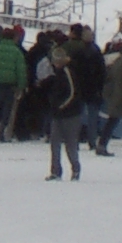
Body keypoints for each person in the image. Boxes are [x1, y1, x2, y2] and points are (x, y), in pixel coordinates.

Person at [44, 45, 83, 181]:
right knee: (54, 143)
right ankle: (55, 171)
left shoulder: (68, 71)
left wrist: (61, 106)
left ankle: (76, 169)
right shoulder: (57, 73)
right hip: (57, 113)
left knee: (70, 144)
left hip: (70, 114)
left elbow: (73, 92)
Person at [0, 25, 27, 142]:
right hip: (10, 85)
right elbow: (21, 70)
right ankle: (3, 133)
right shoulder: (17, 52)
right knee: (7, 110)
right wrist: (21, 86)